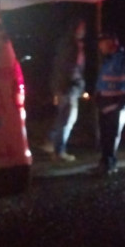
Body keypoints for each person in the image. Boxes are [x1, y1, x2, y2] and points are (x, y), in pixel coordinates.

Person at [93, 32, 125, 176]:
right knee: (105, 136)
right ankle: (105, 162)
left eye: (102, 42)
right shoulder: (109, 59)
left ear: (111, 42)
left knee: (111, 136)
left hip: (116, 105)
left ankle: (109, 164)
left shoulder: (123, 60)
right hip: (105, 105)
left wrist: (121, 104)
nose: (100, 46)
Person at [45, 18, 87, 161]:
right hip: (68, 88)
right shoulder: (72, 45)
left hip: (63, 87)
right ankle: (59, 151)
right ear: (76, 29)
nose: (84, 31)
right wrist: (76, 85)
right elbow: (71, 68)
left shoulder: (66, 43)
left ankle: (51, 142)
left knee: (63, 117)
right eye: (82, 28)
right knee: (67, 119)